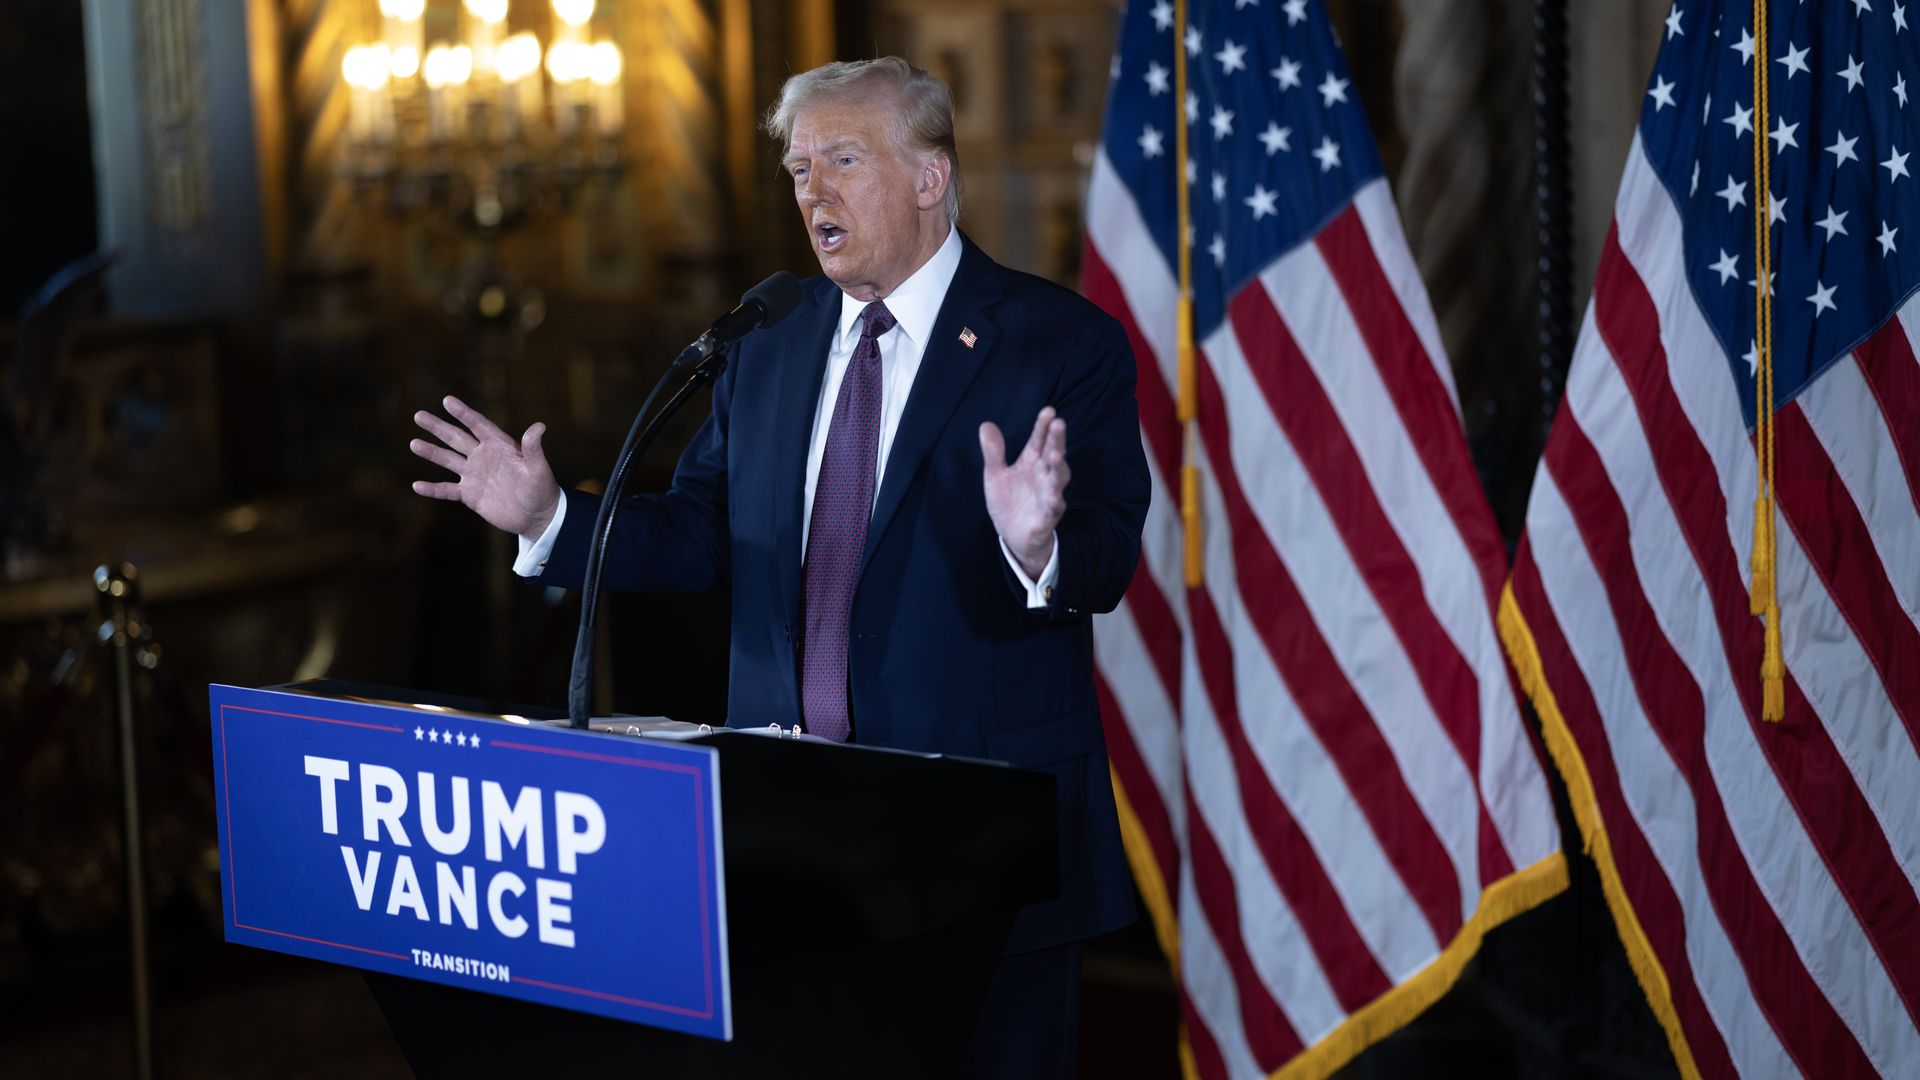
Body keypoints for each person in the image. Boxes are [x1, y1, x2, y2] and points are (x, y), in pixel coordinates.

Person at [409, 56, 1148, 1077]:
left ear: (931, 177)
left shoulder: (1059, 341)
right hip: (789, 841)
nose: (813, 193)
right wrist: (554, 519)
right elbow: (702, 533)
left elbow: (1108, 557)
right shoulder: (768, 339)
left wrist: (1040, 548)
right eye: (798, 169)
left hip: (982, 845)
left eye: (843, 159)